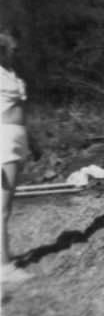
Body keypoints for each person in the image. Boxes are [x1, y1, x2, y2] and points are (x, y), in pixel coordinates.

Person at [1, 29, 40, 283]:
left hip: (17, 139)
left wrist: (33, 143)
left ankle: (3, 256)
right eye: (13, 48)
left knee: (6, 205)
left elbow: (21, 112)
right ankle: (3, 267)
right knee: (2, 207)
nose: (16, 52)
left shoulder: (11, 73)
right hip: (3, 140)